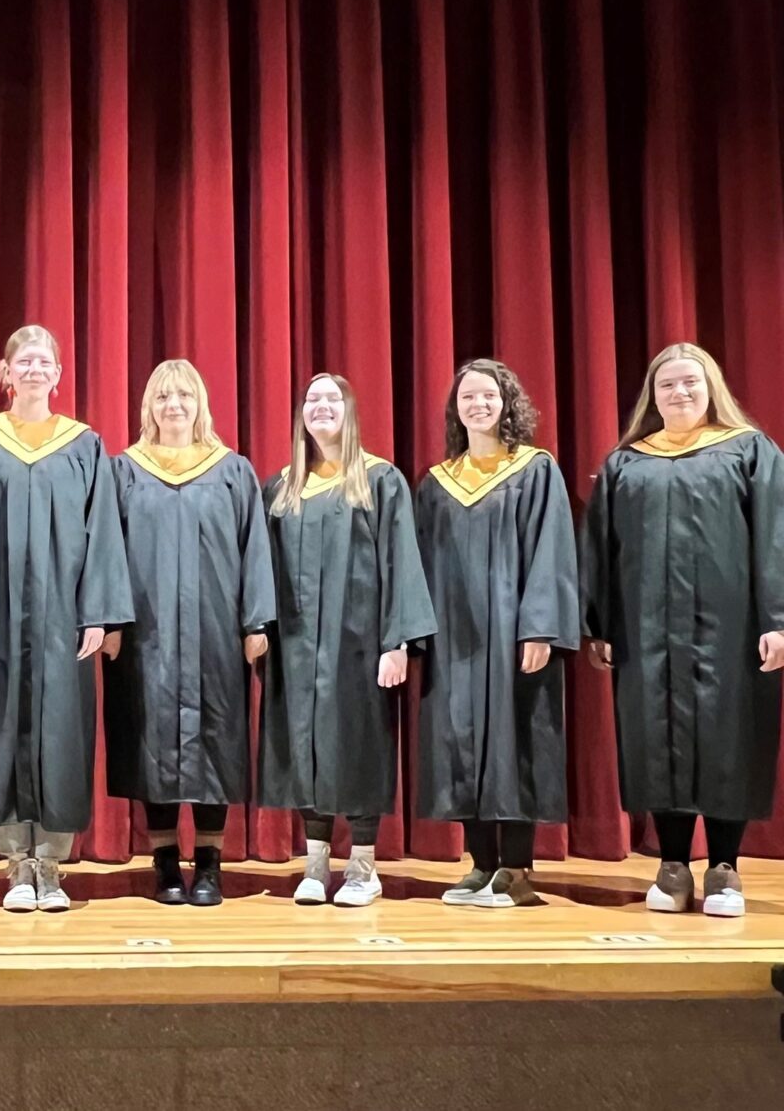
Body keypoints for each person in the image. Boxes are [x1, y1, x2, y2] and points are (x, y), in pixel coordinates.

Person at [582, 343, 784, 918]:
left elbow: (775, 538)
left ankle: (723, 867)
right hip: (646, 629)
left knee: (728, 736)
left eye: (690, 382)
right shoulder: (627, 462)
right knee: (656, 738)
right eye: (667, 384)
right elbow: (601, 549)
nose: (680, 393)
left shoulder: (749, 450)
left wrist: (777, 619)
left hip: (732, 628)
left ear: (710, 387)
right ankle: (672, 865)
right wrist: (600, 625)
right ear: (653, 396)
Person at [0, 324, 133, 913]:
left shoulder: (84, 445)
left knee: (61, 731)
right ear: (6, 373)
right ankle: (15, 864)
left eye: (43, 362)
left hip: (64, 617)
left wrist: (98, 613)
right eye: (23, 361)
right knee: (1, 728)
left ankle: (51, 863)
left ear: (58, 374)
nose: (33, 370)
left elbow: (103, 530)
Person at [102, 359, 275, 906]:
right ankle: (164, 865)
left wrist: (256, 622)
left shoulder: (232, 471)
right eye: (162, 396)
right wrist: (110, 620)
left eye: (183, 395)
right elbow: (106, 550)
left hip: (216, 632)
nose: (173, 405)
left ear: (201, 403)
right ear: (148, 408)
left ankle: (208, 864)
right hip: (145, 632)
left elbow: (255, 548)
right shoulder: (124, 470)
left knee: (214, 742)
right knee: (150, 740)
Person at [261, 373, 435, 907]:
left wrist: (397, 642)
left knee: (359, 745)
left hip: (360, 643)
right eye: (311, 399)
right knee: (304, 746)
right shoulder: (282, 487)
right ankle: (315, 864)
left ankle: (362, 867)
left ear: (350, 411)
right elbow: (263, 570)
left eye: (332, 398)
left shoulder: (379, 481)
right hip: (296, 645)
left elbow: (401, 560)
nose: (321, 406)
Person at [414, 360, 580, 908]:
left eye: (488, 395)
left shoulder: (535, 469)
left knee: (517, 739)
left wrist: (540, 628)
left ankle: (516, 868)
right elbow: (419, 564)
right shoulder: (438, 483)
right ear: (455, 409)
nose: (478, 404)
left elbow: (552, 553)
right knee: (461, 742)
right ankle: (481, 863)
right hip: (455, 636)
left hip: (514, 635)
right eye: (467, 397)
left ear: (508, 403)